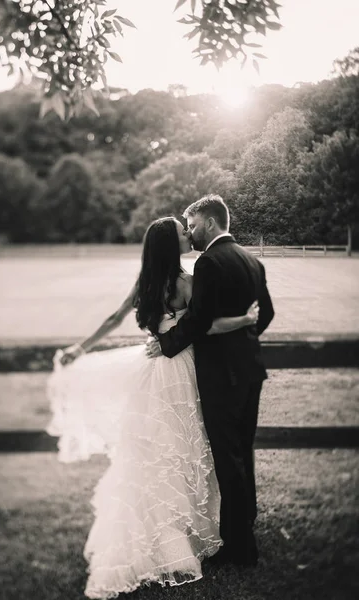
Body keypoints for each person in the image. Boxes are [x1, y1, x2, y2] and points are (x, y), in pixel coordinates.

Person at [46, 216, 260, 599]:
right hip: (183, 370)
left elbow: (114, 318)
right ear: (170, 243)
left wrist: (82, 347)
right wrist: (245, 319)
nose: (188, 234)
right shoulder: (186, 282)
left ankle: (162, 536)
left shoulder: (145, 281)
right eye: (182, 232)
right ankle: (186, 537)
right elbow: (206, 327)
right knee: (187, 450)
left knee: (155, 453)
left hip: (153, 370)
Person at [146, 196, 275, 568]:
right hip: (250, 370)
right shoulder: (252, 260)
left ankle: (239, 548)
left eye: (194, 223)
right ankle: (244, 530)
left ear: (212, 222)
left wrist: (166, 343)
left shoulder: (209, 262)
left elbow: (199, 320)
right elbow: (265, 314)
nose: (191, 231)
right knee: (243, 453)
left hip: (222, 375)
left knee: (228, 458)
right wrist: (244, 340)